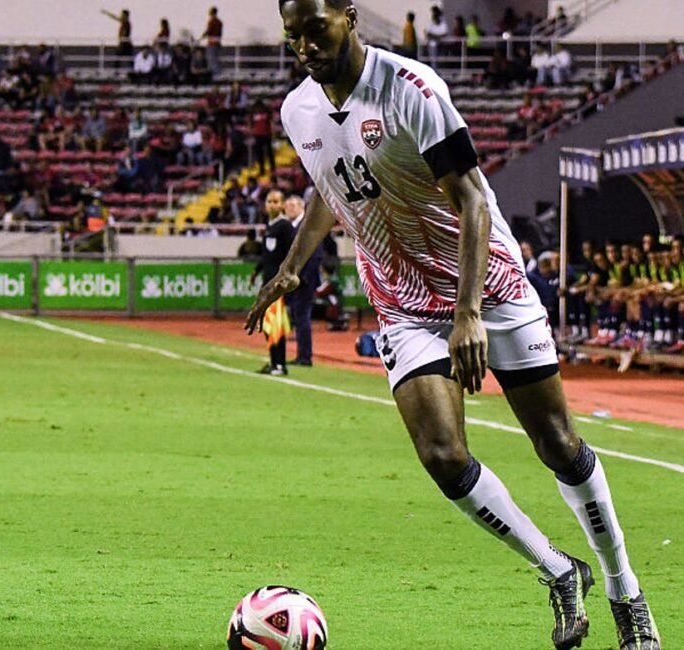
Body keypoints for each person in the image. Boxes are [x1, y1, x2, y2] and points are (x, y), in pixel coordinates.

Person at [248, 3, 659, 649]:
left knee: (555, 442)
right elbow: (334, 194)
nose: (304, 45)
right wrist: (292, 269)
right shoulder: (297, 110)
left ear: (349, 17)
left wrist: (468, 314)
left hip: (486, 285)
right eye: (292, 34)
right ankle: (559, 571)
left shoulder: (412, 89)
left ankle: (624, 588)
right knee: (442, 455)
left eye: (315, 29)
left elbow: (470, 199)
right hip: (404, 300)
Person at [249, 189, 295, 375]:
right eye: (269, 201)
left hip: (277, 285)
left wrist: (284, 279)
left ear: (283, 205)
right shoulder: (269, 226)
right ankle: (273, 361)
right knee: (268, 324)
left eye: (276, 201)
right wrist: (257, 271)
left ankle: (280, 363)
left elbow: (290, 255)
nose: (272, 204)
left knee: (276, 325)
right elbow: (266, 255)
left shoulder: (285, 227)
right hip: (267, 283)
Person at [283, 195, 323, 366]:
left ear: (302, 207)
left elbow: (316, 253)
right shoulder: (291, 227)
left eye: (293, 205)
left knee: (302, 317)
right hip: (293, 280)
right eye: (287, 206)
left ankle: (305, 356)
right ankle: (301, 354)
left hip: (304, 281)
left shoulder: (307, 227)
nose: (289, 208)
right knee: (297, 316)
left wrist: (304, 278)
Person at [201, 6, 224, 77]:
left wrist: (202, 36)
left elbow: (208, 31)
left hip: (212, 43)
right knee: (216, 59)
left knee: (211, 59)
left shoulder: (211, 21)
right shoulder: (220, 22)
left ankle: (214, 74)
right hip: (218, 43)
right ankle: (218, 73)